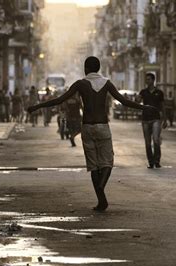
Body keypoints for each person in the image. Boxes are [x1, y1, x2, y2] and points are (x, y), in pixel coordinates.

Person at [28, 56, 155, 212]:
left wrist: (37, 107)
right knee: (107, 162)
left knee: (93, 165)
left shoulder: (81, 84)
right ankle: (102, 187)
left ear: (86, 69)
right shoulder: (106, 83)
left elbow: (59, 100)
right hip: (102, 126)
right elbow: (124, 101)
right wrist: (144, 108)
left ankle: (101, 201)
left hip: (87, 127)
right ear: (98, 68)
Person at [137, 73, 167, 169]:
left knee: (156, 139)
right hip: (145, 119)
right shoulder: (143, 92)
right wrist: (137, 98)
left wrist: (165, 119)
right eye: (146, 79)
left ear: (153, 80)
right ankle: (151, 162)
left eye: (149, 79)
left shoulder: (159, 92)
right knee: (147, 142)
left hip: (156, 119)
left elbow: (162, 106)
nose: (147, 81)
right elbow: (137, 101)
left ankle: (157, 160)